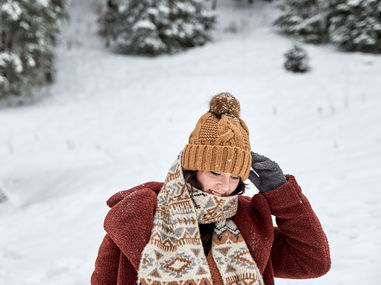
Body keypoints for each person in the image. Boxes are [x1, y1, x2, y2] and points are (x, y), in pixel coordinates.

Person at [91, 93, 331, 285]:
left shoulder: (250, 222)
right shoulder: (137, 217)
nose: (225, 186)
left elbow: (312, 262)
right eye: (215, 172)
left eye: (235, 176)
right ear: (191, 170)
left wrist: (282, 195)